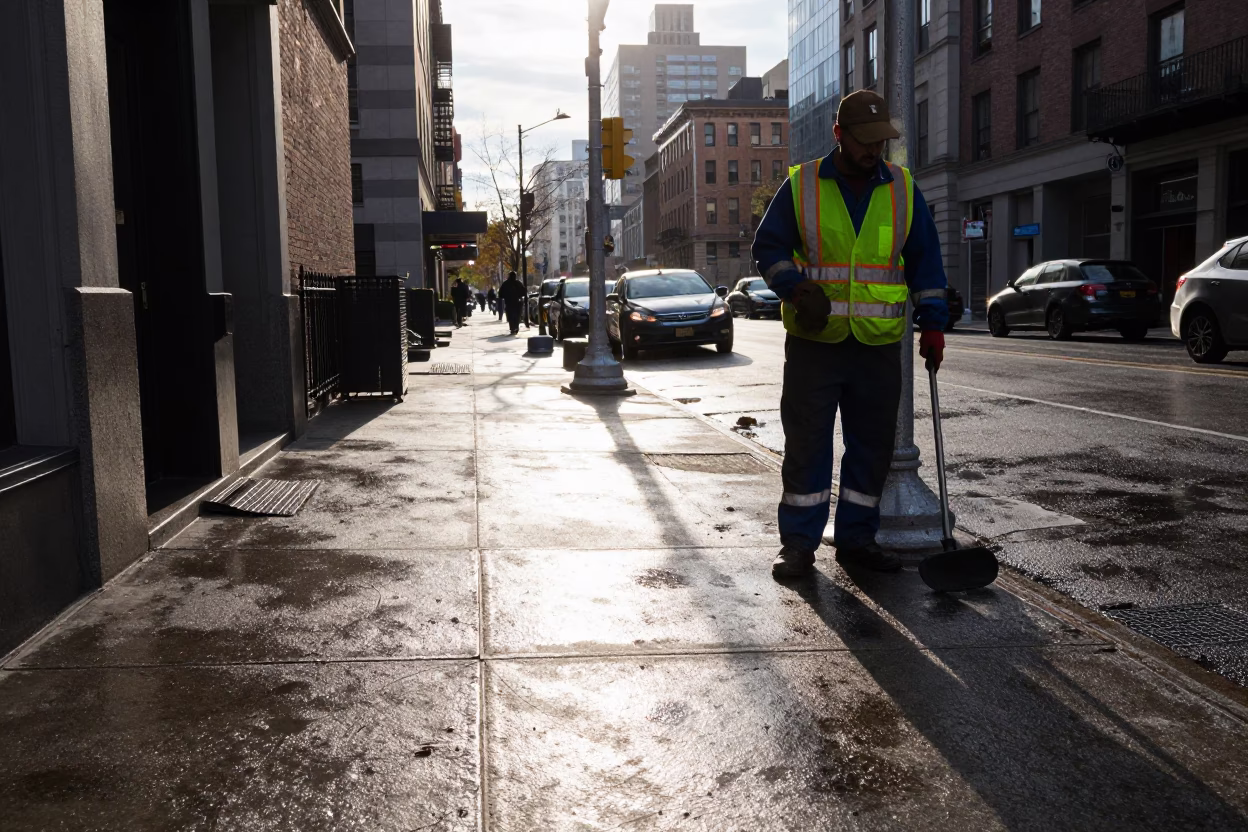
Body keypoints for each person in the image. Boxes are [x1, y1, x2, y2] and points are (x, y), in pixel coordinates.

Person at [751, 89, 949, 580]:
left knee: (871, 450)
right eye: (864, 140)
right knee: (807, 446)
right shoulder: (804, 185)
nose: (873, 150)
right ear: (839, 134)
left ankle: (857, 541)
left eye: (880, 142)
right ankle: (798, 544)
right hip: (816, 345)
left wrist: (935, 323)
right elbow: (768, 246)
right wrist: (794, 289)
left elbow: (926, 259)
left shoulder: (902, 188)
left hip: (878, 347)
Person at [498, 270, 526, 335]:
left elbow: (500, 294)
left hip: (509, 302)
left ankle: (512, 328)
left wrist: (504, 297)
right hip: (517, 302)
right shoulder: (518, 283)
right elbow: (524, 291)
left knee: (511, 316)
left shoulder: (505, 284)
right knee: (517, 315)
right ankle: (515, 327)